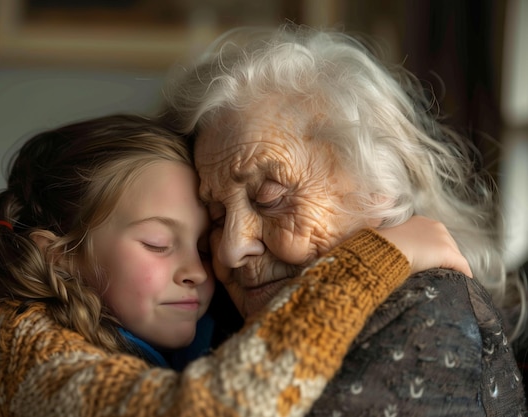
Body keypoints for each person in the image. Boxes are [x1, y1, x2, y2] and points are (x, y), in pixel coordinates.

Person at [0, 113, 470, 417]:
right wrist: (371, 263)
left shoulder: (159, 318)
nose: (201, 271)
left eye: (204, 245)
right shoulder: (12, 347)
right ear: (60, 255)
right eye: (159, 243)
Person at [160, 24, 527, 415]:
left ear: (380, 188)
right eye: (215, 218)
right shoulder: (210, 313)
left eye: (271, 198)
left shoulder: (427, 316)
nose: (231, 248)